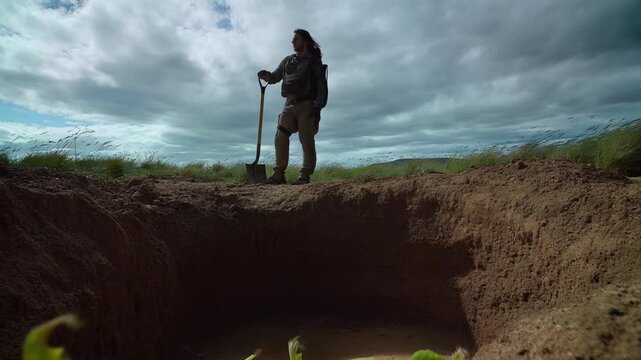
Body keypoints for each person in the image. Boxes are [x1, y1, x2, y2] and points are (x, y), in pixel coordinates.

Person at [258, 29, 327, 185]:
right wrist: (266, 75)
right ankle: (278, 175)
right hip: (289, 105)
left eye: (296, 39)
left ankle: (304, 176)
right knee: (280, 136)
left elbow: (322, 87)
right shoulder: (288, 60)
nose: (292, 41)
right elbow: (275, 77)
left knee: (306, 139)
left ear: (305, 41)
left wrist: (317, 108)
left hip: (307, 105)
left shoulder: (314, 62)